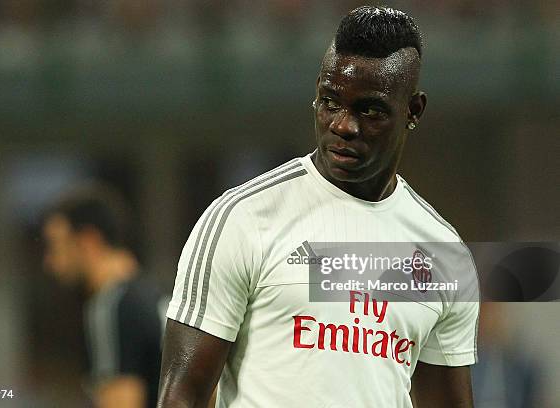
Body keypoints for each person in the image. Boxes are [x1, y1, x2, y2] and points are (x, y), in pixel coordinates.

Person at [158, 6, 479, 408]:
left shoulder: (443, 254)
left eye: (370, 110)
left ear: (413, 111)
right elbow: (181, 397)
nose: (344, 125)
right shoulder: (243, 219)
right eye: (330, 102)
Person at [42, 184, 162, 408]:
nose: (49, 263)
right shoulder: (155, 294)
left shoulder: (111, 307)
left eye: (56, 246)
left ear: (89, 241)